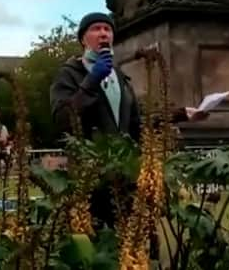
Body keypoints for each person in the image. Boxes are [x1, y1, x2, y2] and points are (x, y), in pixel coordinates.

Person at [49, 12, 209, 228]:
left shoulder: (120, 78)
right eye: (96, 29)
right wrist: (92, 80)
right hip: (90, 179)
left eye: (108, 29)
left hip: (124, 176)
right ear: (82, 39)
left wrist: (181, 114)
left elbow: (136, 125)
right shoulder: (69, 75)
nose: (103, 34)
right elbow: (62, 120)